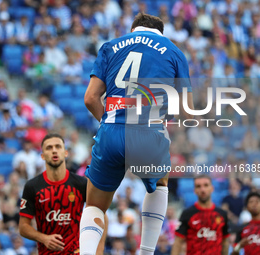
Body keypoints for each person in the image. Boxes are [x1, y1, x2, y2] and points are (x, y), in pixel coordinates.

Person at [80, 13, 194, 255]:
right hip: (149, 132)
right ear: (161, 32)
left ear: (133, 29)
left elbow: (90, 98)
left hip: (111, 130)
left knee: (95, 205)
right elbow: (187, 107)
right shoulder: (174, 52)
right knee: (161, 184)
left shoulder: (110, 46)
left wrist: (110, 123)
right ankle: (145, 251)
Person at [19, 134, 106, 254]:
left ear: (65, 153)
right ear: (43, 156)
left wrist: (99, 250)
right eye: (49, 148)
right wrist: (43, 238)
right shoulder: (32, 186)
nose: (54, 150)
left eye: (58, 147)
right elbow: (23, 227)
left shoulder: (81, 183)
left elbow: (100, 214)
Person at [171, 175, 230, 255]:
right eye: (198, 186)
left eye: (206, 185)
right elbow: (178, 242)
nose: (202, 189)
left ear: (212, 188)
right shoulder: (187, 213)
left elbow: (225, 242)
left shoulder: (222, 214)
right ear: (195, 190)